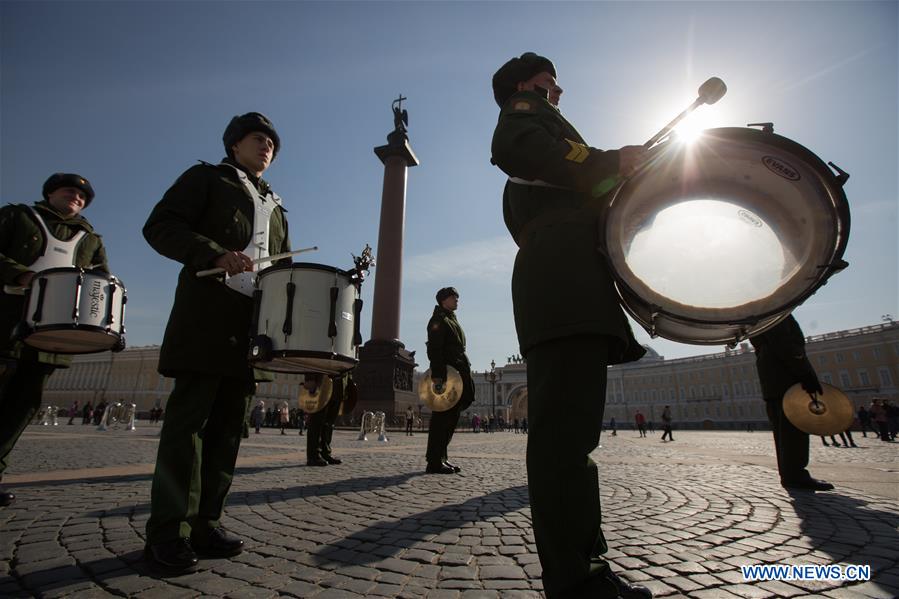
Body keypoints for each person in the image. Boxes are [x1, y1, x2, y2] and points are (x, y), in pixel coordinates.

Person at [491, 52, 651, 599]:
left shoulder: (552, 163)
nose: (558, 91)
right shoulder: (523, 116)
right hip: (560, 275)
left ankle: (583, 568)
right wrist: (612, 159)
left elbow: (589, 185)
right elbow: (523, 147)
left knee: (575, 436)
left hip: (574, 274)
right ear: (523, 87)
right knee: (563, 438)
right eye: (548, 83)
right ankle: (575, 579)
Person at [142, 112, 291, 574]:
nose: (265, 145)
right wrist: (212, 253)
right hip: (207, 315)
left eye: (271, 142)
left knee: (228, 430)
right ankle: (168, 532)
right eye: (256, 138)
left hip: (252, 329)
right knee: (188, 426)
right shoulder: (207, 178)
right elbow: (161, 226)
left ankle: (206, 522)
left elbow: (282, 270)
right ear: (234, 145)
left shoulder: (278, 208)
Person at [0, 173, 108, 508]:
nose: (75, 196)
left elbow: (100, 281)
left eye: (81, 195)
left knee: (23, 403)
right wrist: (20, 274)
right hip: (7, 322)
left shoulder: (90, 239)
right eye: (69, 191)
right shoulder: (18, 217)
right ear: (50, 193)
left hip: (53, 334)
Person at [749, 314, 834, 491]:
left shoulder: (757, 315)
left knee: (782, 433)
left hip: (771, 380)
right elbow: (786, 346)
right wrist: (806, 374)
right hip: (786, 380)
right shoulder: (774, 313)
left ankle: (790, 474)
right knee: (793, 430)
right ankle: (795, 475)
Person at [425, 287, 474, 475]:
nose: (457, 300)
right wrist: (439, 377)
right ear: (444, 300)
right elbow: (435, 350)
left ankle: (441, 457)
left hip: (457, 372)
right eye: (454, 297)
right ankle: (434, 461)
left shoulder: (451, 319)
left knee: (451, 418)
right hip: (448, 375)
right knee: (442, 419)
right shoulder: (438, 320)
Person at [306, 373, 352, 466]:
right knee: (316, 422)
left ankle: (325, 453)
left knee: (329, 423)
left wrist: (348, 384)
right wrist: (310, 379)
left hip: (338, 387)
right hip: (321, 384)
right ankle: (313, 455)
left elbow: (348, 367)